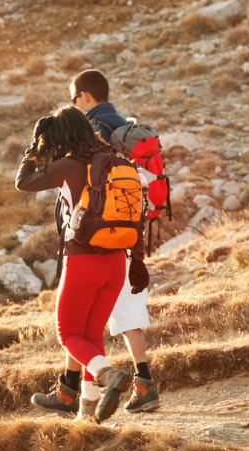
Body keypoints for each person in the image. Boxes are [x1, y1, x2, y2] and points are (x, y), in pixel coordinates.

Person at [15, 105, 149, 421]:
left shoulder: (69, 166)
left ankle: (108, 374)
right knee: (91, 336)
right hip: (116, 262)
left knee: (68, 334)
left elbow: (23, 181)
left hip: (83, 261)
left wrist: (35, 147)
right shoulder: (116, 160)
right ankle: (87, 414)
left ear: (60, 138)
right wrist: (138, 261)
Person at [66, 68, 160, 413]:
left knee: (80, 320)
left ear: (85, 97)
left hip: (97, 240)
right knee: (126, 311)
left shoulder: (91, 130)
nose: (73, 105)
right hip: (129, 236)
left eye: (73, 99)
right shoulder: (127, 128)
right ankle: (138, 382)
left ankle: (83, 393)